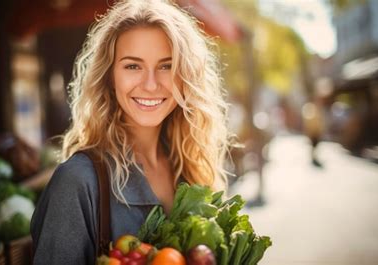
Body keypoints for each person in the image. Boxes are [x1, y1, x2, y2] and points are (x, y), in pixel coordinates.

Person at [30, 0, 232, 264]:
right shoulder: (78, 182)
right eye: (133, 66)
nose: (150, 85)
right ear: (110, 77)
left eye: (166, 65)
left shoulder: (190, 165)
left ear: (186, 77)